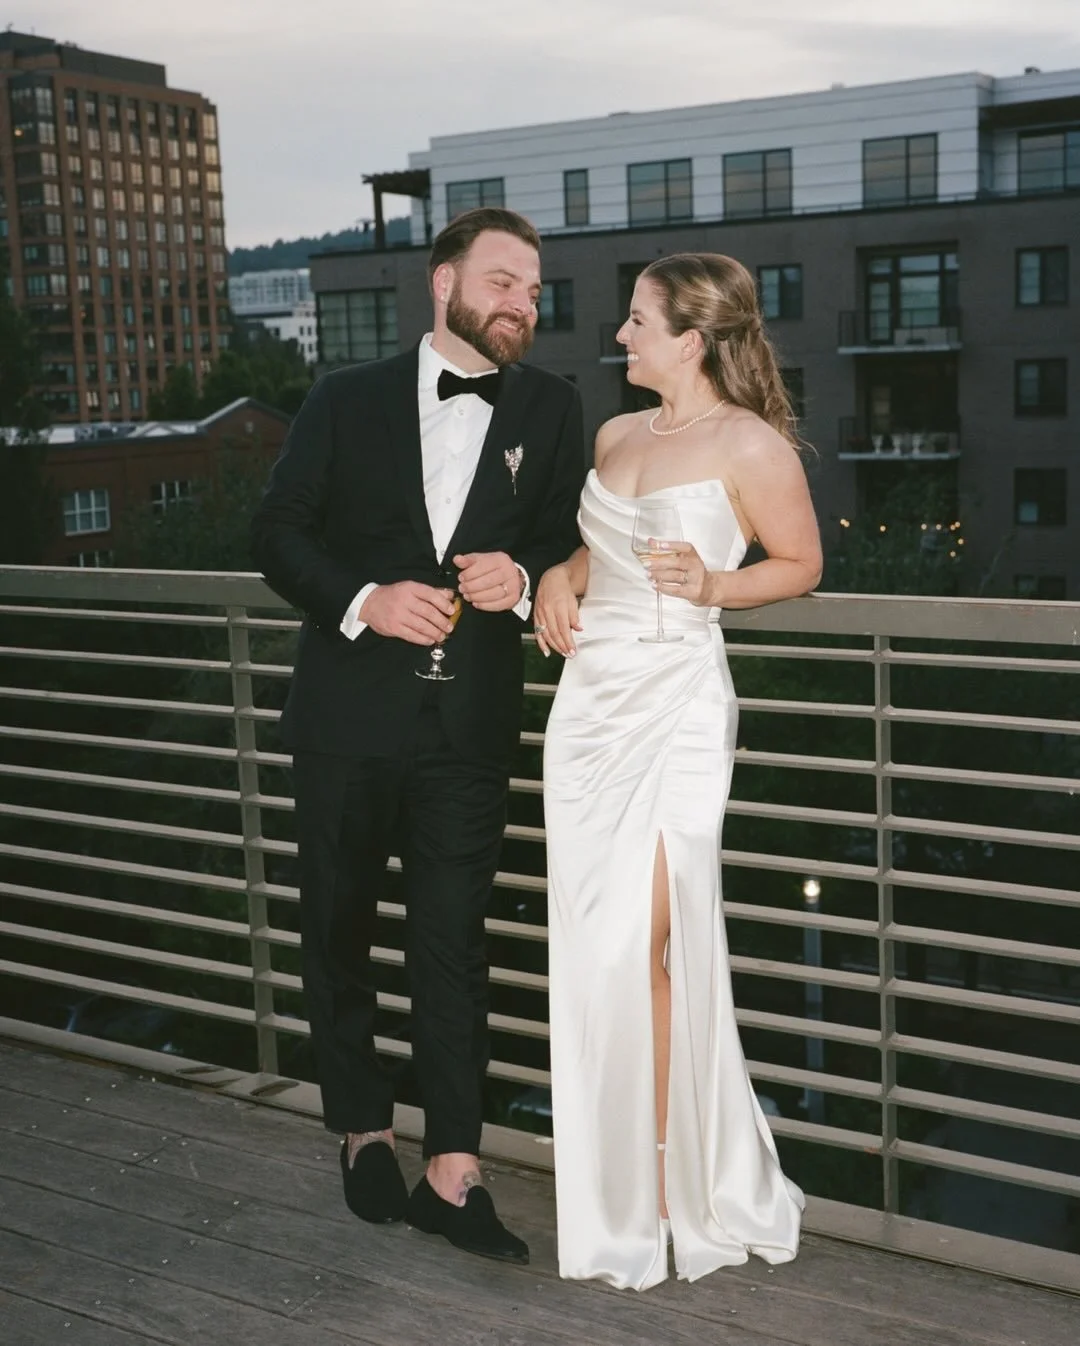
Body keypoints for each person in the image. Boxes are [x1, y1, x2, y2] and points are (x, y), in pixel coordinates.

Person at [251, 207, 584, 1265]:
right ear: (444, 285)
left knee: (453, 944)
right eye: (504, 281)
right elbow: (276, 532)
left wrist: (522, 578)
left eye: (534, 287)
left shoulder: (555, 405)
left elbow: (569, 541)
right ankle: (360, 1125)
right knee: (339, 928)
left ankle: (455, 1166)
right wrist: (363, 597)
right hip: (347, 719)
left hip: (470, 728)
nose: (523, 302)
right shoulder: (344, 399)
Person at [533, 252, 822, 1290]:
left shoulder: (751, 444)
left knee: (646, 941)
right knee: (594, 942)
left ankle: (666, 1176)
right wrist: (554, 588)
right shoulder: (615, 435)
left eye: (637, 321)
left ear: (690, 340)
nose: (621, 335)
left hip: (678, 707)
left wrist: (712, 580)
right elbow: (586, 552)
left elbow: (801, 563)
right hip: (589, 712)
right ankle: (622, 1168)